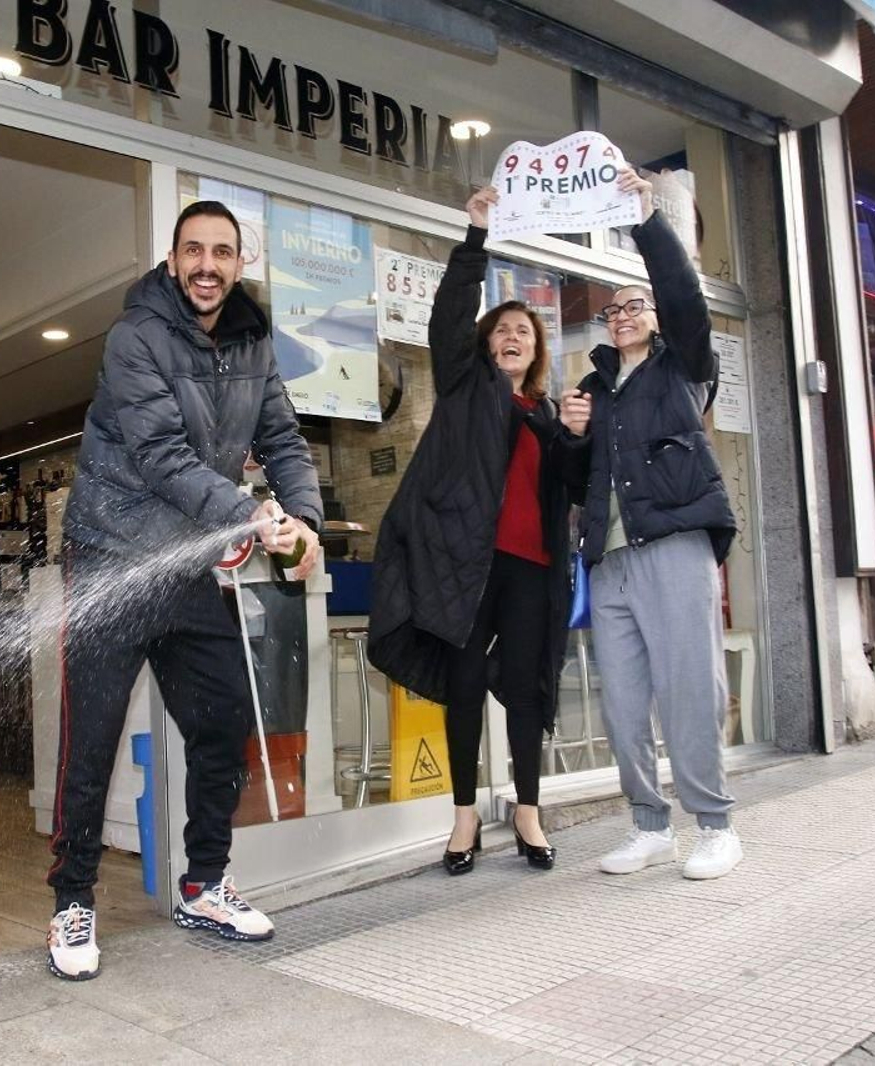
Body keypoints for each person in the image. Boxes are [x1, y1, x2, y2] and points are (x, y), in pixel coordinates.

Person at [46, 200, 323, 980]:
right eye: (194, 251)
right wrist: (248, 515)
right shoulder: (135, 337)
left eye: (223, 253)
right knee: (91, 738)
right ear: (173, 262)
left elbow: (282, 438)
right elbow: (163, 454)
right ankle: (72, 902)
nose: (208, 265)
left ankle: (204, 883)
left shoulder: (251, 340)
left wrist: (302, 518)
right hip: (109, 560)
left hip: (186, 565)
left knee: (225, 718)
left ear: (240, 265)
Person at [368, 185, 589, 876]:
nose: (515, 336)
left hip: (531, 568)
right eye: (503, 329)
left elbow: (573, 492)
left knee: (523, 688)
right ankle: (464, 816)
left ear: (537, 351)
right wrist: (474, 239)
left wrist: (576, 442)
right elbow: (447, 315)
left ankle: (527, 808)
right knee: (464, 685)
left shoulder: (548, 414)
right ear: (485, 344)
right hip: (464, 563)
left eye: (526, 332)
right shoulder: (467, 385)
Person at [566, 165, 742, 880]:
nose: (624, 315)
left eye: (636, 305)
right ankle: (648, 825)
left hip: (675, 544)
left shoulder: (684, 368)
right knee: (626, 701)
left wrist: (646, 222)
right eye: (613, 310)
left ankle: (716, 824)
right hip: (609, 562)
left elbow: (683, 296)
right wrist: (569, 434)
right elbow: (572, 480)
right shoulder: (591, 387)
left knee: (690, 685)